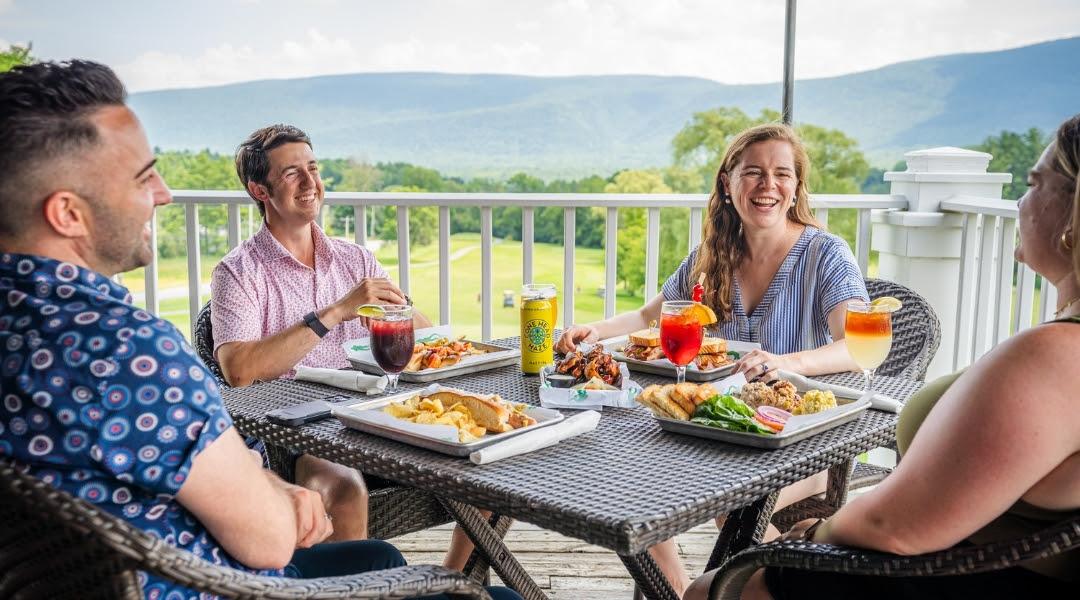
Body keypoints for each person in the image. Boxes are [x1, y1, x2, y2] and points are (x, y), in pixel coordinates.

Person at [0, 59, 519, 600]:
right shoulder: (131, 353)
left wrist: (259, 486)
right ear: (67, 215)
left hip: (153, 564)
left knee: (377, 554)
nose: (164, 193)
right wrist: (274, 493)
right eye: (142, 175)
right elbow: (271, 539)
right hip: (237, 579)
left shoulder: (29, 329)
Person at [685, 114, 1080, 600]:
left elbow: (893, 526)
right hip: (953, 556)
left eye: (1034, 184)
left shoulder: (1053, 354)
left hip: (941, 572)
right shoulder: (1058, 346)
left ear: (1073, 214)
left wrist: (808, 542)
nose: (1019, 202)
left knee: (705, 591)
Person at [556, 123, 868, 595]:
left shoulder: (826, 254)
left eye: (782, 174)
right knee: (633, 488)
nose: (768, 186)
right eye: (753, 173)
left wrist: (789, 363)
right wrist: (592, 331)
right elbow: (649, 315)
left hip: (802, 439)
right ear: (728, 182)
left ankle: (773, 583)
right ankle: (684, 592)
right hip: (719, 430)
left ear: (797, 186)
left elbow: (858, 347)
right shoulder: (712, 254)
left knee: (735, 507)